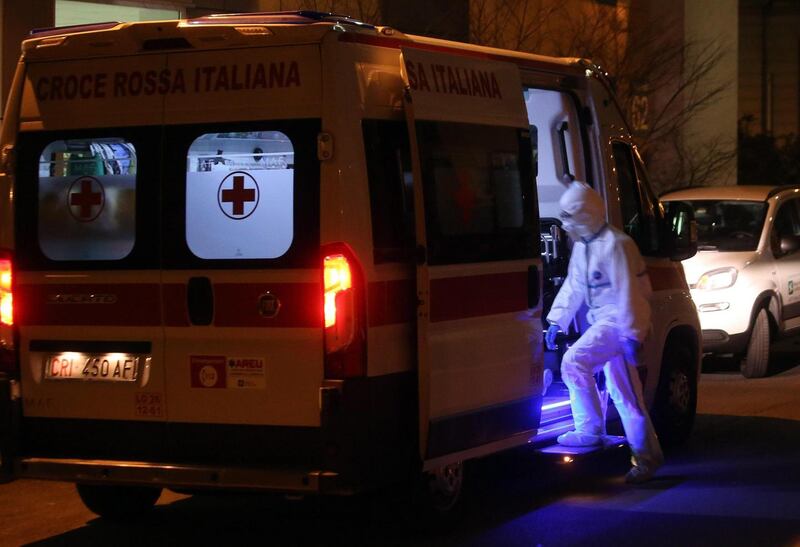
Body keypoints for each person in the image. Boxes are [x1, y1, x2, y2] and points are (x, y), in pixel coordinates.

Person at [544, 181, 664, 484]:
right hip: (607, 322)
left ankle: (590, 430)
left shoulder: (617, 245)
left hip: (617, 322)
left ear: (586, 214)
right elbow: (573, 286)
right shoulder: (584, 247)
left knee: (574, 361)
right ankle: (647, 459)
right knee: (626, 395)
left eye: (570, 216)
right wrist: (557, 320)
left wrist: (632, 335)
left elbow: (629, 293)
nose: (567, 223)